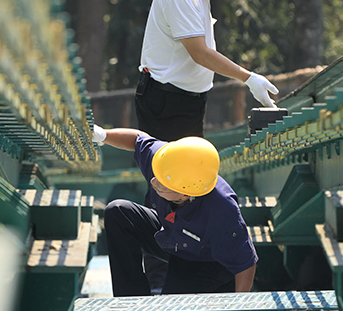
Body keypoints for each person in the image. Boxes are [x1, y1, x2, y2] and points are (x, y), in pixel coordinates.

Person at [136, 0, 279, 142]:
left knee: (189, 173)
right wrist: (248, 78)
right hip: (167, 103)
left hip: (183, 102)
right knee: (174, 174)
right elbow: (200, 53)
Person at [92, 125, 257, 296]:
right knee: (118, 212)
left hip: (205, 262)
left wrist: (238, 306)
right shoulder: (166, 164)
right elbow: (138, 139)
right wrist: (103, 135)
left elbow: (245, 264)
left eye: (162, 185)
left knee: (171, 310)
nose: (154, 181)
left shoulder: (221, 210)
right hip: (171, 236)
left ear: (185, 195)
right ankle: (130, 300)